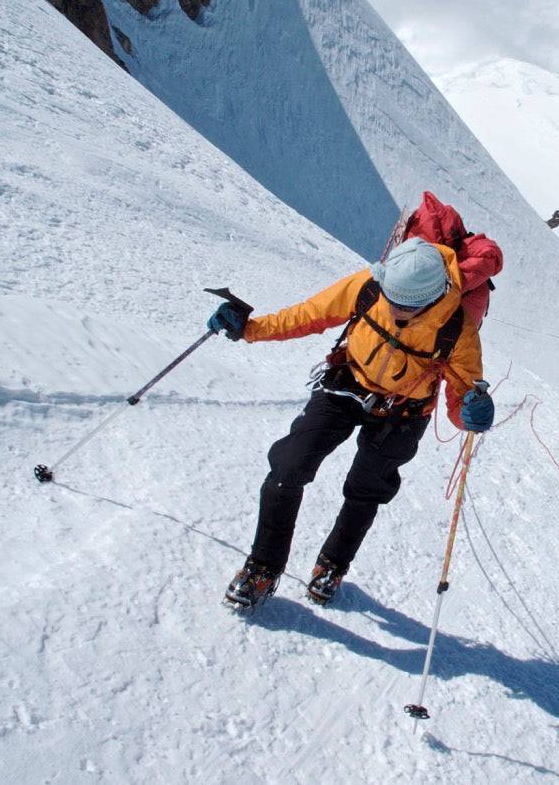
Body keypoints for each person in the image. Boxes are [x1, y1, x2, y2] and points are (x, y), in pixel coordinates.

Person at [208, 237, 495, 611]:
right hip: (346, 382)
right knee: (289, 464)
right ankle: (262, 567)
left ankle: (333, 565)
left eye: (404, 306)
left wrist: (471, 413)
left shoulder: (458, 331)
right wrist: (249, 328)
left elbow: (462, 397)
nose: (392, 309)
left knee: (366, 489)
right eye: (389, 298)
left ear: (430, 299)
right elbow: (310, 314)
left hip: (405, 411)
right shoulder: (369, 286)